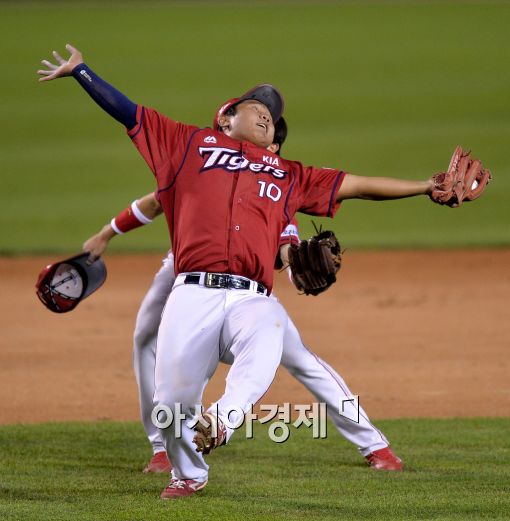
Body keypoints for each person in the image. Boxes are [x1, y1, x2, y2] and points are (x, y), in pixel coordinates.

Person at [38, 44, 434, 499]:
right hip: (190, 289)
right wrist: (82, 72)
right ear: (225, 119)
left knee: (275, 336)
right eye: (257, 106)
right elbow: (129, 118)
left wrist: (426, 187)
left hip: (251, 296)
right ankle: (186, 470)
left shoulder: (285, 174)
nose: (268, 114)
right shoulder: (189, 147)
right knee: (171, 397)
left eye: (274, 116)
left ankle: (225, 421)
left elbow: (358, 186)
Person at [83, 190, 402, 477]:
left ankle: (375, 446)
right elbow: (155, 202)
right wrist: (107, 232)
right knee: (145, 339)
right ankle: (162, 448)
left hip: (246, 295)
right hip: (184, 275)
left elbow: (287, 250)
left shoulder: (274, 184)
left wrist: (299, 271)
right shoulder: (202, 159)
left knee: (302, 361)